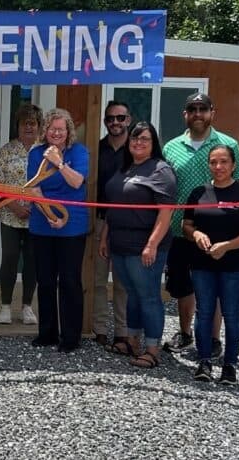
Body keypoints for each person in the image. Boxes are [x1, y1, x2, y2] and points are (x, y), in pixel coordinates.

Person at [162, 93, 239, 355]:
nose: (198, 114)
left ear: (212, 112)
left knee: (215, 287)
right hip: (180, 228)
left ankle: (213, 338)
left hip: (219, 232)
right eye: (192, 109)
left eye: (203, 109)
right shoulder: (171, 147)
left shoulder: (228, 144)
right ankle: (185, 333)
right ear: (185, 114)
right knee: (182, 285)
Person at [99, 122, 176, 369]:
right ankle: (132, 340)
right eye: (134, 137)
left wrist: (151, 245)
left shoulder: (161, 170)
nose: (138, 142)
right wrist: (105, 237)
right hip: (119, 244)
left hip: (144, 246)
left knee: (149, 296)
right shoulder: (125, 167)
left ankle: (152, 350)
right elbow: (113, 206)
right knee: (132, 294)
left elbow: (166, 212)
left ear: (154, 143)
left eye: (144, 138)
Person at [183, 145, 239, 384]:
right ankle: (204, 361)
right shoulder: (198, 193)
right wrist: (196, 234)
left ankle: (230, 365)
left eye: (224, 162)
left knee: (232, 314)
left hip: (234, 266)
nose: (218, 167)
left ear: (233, 165)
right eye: (213, 162)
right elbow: (187, 225)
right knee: (204, 312)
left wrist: (228, 245)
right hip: (202, 264)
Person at [29, 108, 89, 353]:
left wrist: (59, 162)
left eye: (61, 129)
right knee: (45, 280)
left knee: (69, 281)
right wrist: (51, 215)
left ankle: (71, 337)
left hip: (72, 226)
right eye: (52, 129)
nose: (56, 133)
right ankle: (47, 333)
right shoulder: (36, 153)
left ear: (68, 131)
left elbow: (77, 182)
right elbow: (34, 189)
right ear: (45, 130)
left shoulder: (79, 152)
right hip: (42, 223)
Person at [0, 103, 42, 325]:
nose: (28, 127)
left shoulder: (46, 151)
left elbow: (51, 183)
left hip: (37, 216)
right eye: (24, 123)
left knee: (32, 261)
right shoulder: (7, 150)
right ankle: (5, 306)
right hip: (10, 215)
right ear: (18, 126)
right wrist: (15, 206)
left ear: (39, 126)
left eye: (33, 123)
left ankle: (27, 306)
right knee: (10, 258)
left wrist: (36, 206)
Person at [94, 100, 131, 350]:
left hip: (126, 225)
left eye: (120, 118)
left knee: (122, 282)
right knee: (97, 280)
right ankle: (99, 329)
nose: (115, 122)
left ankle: (122, 331)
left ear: (128, 120)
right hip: (99, 220)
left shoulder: (136, 149)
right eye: (110, 118)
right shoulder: (96, 149)